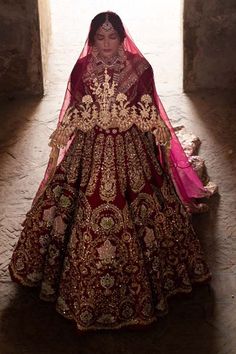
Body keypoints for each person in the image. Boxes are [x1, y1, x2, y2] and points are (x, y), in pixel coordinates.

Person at [9, 11, 211, 332]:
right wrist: (69, 129)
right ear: (92, 40)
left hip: (131, 150)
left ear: (121, 37)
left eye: (111, 37)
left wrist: (152, 136)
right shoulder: (80, 69)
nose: (105, 44)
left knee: (147, 207)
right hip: (88, 150)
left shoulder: (141, 68)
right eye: (99, 38)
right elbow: (76, 111)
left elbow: (148, 112)